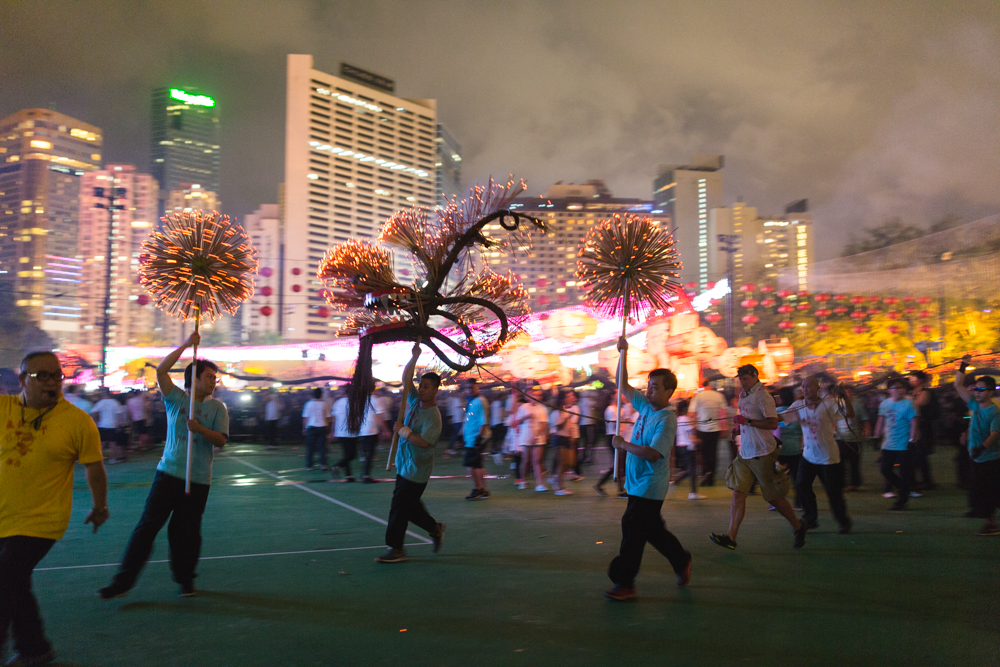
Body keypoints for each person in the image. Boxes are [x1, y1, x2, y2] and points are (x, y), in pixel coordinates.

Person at [99, 332, 229, 599]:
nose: (213, 382)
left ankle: (185, 580)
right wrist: (186, 345)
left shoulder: (218, 408)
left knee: (186, 533)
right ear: (194, 377)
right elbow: (161, 370)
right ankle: (123, 581)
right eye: (208, 377)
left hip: (198, 479)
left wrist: (200, 429)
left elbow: (221, 441)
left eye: (215, 378)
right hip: (168, 474)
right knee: (147, 528)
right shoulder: (176, 398)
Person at [1, 352, 108, 667]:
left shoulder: (77, 422)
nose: (50, 382)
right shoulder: (4, 408)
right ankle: (35, 649)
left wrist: (99, 506)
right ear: (23, 380)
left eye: (56, 376)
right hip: (4, 514)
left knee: (5, 578)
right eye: (41, 376)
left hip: (42, 520)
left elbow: (94, 468)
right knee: (17, 583)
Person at [605, 336, 691, 601]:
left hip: (650, 484)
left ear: (668, 392)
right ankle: (681, 559)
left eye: (655, 387)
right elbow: (622, 384)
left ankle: (626, 582)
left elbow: (654, 454)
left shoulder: (667, 420)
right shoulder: (645, 406)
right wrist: (623, 353)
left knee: (632, 528)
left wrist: (623, 444)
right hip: (637, 481)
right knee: (652, 530)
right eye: (649, 386)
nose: (649, 390)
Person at [710, 365, 808, 550]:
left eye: (745, 379)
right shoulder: (744, 395)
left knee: (773, 498)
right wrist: (738, 429)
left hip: (763, 453)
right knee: (738, 495)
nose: (742, 382)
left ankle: (798, 525)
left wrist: (746, 422)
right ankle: (731, 537)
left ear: (755, 376)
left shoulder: (764, 396)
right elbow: (747, 419)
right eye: (740, 379)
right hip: (746, 453)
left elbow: (772, 423)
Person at [376, 344, 446, 563]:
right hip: (404, 464)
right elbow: (407, 379)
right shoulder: (415, 402)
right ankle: (435, 528)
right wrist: (414, 357)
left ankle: (396, 548)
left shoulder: (433, 416)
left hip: (417, 470)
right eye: (422, 386)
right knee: (411, 508)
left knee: (399, 506)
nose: (422, 389)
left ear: (435, 390)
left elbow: (425, 443)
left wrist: (403, 431)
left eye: (427, 387)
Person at [781, 376, 853, 534]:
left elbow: (850, 414)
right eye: (803, 387)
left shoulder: (829, 404)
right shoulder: (799, 405)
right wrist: (759, 418)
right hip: (808, 455)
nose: (805, 390)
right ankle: (810, 517)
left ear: (818, 389)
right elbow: (782, 418)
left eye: (808, 386)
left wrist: (844, 397)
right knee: (801, 485)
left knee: (833, 492)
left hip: (829, 457)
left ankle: (843, 521)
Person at [954, 356, 1000, 535]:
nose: (976, 392)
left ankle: (991, 524)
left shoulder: (995, 411)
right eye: (975, 388)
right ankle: (988, 519)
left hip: (990, 458)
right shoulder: (974, 405)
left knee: (989, 491)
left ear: (990, 391)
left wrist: (982, 447)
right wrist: (963, 365)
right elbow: (958, 385)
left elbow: (995, 434)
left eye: (981, 389)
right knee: (982, 490)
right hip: (976, 456)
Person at [874, 378, 919, 511]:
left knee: (905, 472)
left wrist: (912, 440)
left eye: (902, 388)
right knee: (885, 469)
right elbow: (880, 421)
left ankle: (902, 500)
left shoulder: (909, 404)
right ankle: (902, 487)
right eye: (897, 387)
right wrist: (876, 437)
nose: (900, 390)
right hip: (889, 443)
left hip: (904, 444)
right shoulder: (884, 404)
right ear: (889, 391)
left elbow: (914, 423)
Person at [689, 379, 727, 486]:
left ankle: (705, 473)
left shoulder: (698, 397)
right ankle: (711, 477)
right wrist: (724, 429)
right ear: (711, 385)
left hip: (702, 429)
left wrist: (694, 425)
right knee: (713, 453)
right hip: (716, 428)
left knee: (704, 453)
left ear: (703, 385)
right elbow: (723, 413)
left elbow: (691, 413)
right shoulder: (719, 396)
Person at [513, 386, 549, 491]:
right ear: (529, 396)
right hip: (526, 437)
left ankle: (539, 484)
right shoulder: (523, 407)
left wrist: (536, 436)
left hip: (538, 438)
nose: (537, 397)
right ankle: (523, 480)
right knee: (525, 460)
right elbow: (516, 422)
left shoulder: (542, 408)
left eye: (539, 395)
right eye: (534, 395)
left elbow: (543, 425)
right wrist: (526, 417)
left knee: (537, 461)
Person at [595, 399, 633, 498]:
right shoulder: (611, 409)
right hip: (615, 438)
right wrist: (625, 419)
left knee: (617, 465)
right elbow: (614, 425)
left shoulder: (619, 408)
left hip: (619, 438)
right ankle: (620, 490)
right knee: (617, 465)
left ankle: (601, 485)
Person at [909, 370, 939, 491]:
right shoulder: (913, 392)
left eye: (913, 378)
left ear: (920, 380)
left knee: (921, 455)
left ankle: (927, 481)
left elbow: (917, 405)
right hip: (914, 426)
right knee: (915, 455)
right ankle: (919, 480)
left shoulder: (925, 392)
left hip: (923, 427)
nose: (910, 380)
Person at [462, 378, 491, 500]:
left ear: (477, 388)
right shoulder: (472, 401)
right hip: (471, 437)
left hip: (475, 437)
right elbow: (469, 420)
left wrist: (479, 437)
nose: (468, 390)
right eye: (467, 388)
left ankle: (478, 489)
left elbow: (483, 421)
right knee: (477, 464)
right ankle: (482, 489)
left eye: (471, 387)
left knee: (471, 465)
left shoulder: (479, 401)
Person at [775, 387, 803, 510]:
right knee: (797, 477)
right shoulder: (797, 413)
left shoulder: (775, 413)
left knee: (776, 477)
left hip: (779, 450)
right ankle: (799, 502)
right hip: (795, 449)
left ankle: (777, 502)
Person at [674, 399, 705, 500]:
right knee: (692, 470)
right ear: (685, 408)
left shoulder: (678, 419)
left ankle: (676, 482)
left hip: (680, 446)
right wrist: (696, 441)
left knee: (690, 469)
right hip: (688, 446)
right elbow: (690, 432)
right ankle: (693, 493)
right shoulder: (686, 419)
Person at [92, 388, 127, 464]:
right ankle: (113, 458)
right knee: (112, 442)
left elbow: (94, 412)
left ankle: (98, 459)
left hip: (102, 425)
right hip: (112, 425)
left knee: (102, 443)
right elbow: (119, 414)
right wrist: (119, 424)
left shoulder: (100, 403)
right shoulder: (114, 402)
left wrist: (96, 422)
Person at [302, 388, 329, 470]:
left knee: (310, 447)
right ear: (321, 394)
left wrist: (304, 428)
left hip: (311, 427)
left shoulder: (308, 404)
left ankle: (309, 465)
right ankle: (323, 464)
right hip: (322, 426)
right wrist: (329, 429)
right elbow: (328, 417)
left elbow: (305, 418)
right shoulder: (325, 404)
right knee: (322, 447)